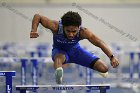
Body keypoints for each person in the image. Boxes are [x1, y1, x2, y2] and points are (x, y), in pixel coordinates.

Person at [30, 11, 119, 84]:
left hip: (76, 52)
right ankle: (58, 75)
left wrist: (112, 57)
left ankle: (94, 64)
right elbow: (38, 16)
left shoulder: (84, 32)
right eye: (68, 31)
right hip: (60, 52)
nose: (71, 34)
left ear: (79, 27)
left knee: (104, 68)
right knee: (58, 58)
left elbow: (99, 42)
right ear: (63, 26)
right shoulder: (56, 26)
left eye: (74, 31)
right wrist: (33, 30)